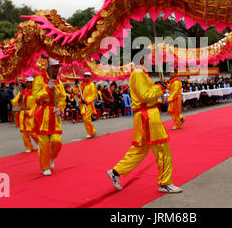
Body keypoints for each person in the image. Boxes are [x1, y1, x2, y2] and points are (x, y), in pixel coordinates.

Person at [107, 51, 183, 193]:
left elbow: (145, 93)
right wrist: (159, 87)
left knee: (140, 149)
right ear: (140, 59)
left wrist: (157, 87)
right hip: (148, 115)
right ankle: (164, 182)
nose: (150, 60)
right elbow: (145, 95)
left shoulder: (139, 73)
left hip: (144, 115)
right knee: (162, 149)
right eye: (148, 57)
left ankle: (116, 172)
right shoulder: (138, 73)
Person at [33, 58, 67, 176]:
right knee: (44, 143)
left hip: (54, 114)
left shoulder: (59, 82)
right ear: (48, 68)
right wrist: (47, 88)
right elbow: (36, 97)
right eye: (54, 67)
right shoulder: (39, 79)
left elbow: (62, 98)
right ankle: (45, 166)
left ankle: (51, 157)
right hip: (42, 113)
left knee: (56, 141)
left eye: (58, 67)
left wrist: (61, 108)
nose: (57, 69)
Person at [11, 77, 39, 153]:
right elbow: (15, 102)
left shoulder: (35, 92)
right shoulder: (22, 92)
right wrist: (19, 99)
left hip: (31, 112)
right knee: (23, 132)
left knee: (31, 130)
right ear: (26, 83)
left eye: (31, 82)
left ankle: (38, 142)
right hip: (22, 113)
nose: (30, 84)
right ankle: (29, 146)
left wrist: (30, 112)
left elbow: (37, 104)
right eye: (28, 82)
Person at [76, 72, 98, 138]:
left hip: (89, 104)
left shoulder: (92, 85)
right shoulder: (81, 84)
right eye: (85, 76)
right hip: (83, 105)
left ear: (90, 77)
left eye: (88, 76)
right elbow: (76, 91)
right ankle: (91, 132)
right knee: (85, 119)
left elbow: (94, 95)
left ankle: (92, 132)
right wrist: (75, 84)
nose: (86, 78)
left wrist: (86, 100)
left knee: (87, 118)